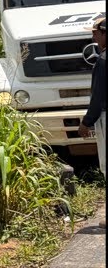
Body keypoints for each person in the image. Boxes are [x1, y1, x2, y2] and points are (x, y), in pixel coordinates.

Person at [76, 16, 106, 227]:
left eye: (95, 32)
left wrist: (86, 122)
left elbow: (99, 96)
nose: (92, 36)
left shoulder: (103, 61)